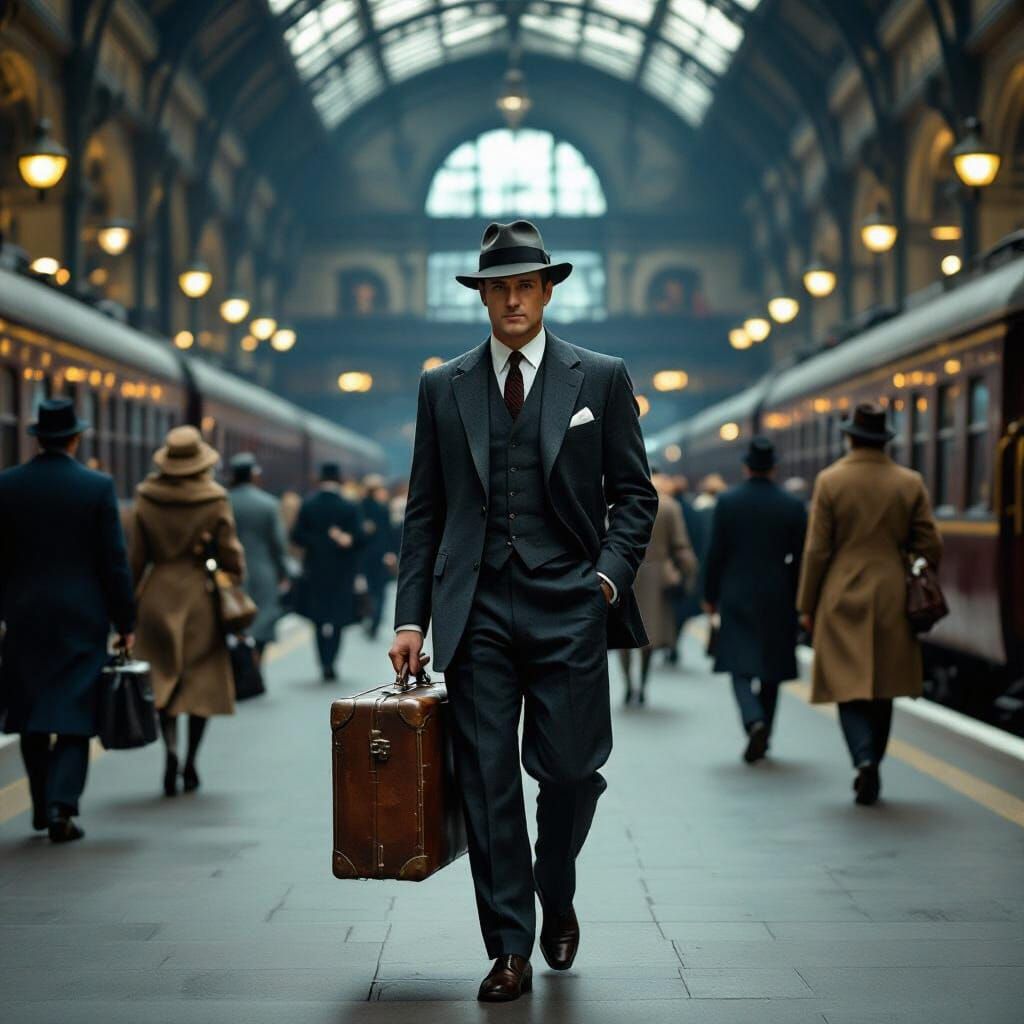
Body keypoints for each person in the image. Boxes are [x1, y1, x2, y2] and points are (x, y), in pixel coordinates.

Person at [389, 220, 657, 1002]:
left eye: (525, 286)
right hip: (473, 611)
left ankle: (557, 887)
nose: (512, 299)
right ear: (482, 297)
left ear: (546, 291)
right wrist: (411, 618)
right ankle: (508, 946)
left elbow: (635, 495)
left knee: (572, 771)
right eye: (498, 288)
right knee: (488, 783)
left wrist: (605, 581)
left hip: (569, 603)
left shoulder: (599, 378)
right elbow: (423, 512)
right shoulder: (444, 386)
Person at [0, 399, 135, 842]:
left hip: (24, 616)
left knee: (33, 712)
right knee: (76, 713)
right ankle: (62, 808)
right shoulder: (96, 487)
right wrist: (125, 620)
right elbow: (114, 562)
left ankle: (40, 805)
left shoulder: (8, 484)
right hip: (82, 617)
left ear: (37, 438)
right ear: (75, 439)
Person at [797, 404, 941, 805]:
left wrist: (806, 603)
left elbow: (818, 550)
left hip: (841, 591)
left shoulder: (830, 481)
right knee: (884, 687)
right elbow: (930, 544)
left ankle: (862, 759)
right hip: (893, 591)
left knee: (848, 685)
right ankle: (874, 758)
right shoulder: (909, 482)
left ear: (850, 437)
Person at [130, 426, 244, 797]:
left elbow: (135, 557)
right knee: (200, 681)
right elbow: (230, 552)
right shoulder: (214, 499)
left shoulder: (145, 497)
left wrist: (127, 605)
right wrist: (233, 572)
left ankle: (170, 751)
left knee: (163, 678)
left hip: (157, 593)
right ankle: (192, 759)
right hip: (199, 595)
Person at [703, 438, 807, 763]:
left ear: (746, 467)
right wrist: (799, 597)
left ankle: (753, 720)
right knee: (772, 669)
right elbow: (802, 557)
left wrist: (709, 596)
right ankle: (767, 731)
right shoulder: (792, 505)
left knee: (737, 664)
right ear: (774, 468)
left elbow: (714, 554)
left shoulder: (728, 502)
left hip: (736, 593)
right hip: (779, 594)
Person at [619, 468, 696, 705]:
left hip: (624, 573)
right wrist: (689, 575)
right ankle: (642, 684)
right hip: (655, 578)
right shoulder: (669, 506)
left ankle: (628, 686)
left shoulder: (618, 503)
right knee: (648, 637)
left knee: (623, 636)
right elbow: (681, 546)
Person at [290, 462, 365, 682]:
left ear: (320, 479)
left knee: (319, 618)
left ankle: (323, 661)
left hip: (315, 570)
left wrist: (317, 542)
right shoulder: (349, 506)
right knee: (338, 618)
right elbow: (360, 538)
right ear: (339, 479)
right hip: (342, 571)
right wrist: (342, 540)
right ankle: (332, 661)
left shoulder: (309, 504)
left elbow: (296, 536)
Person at [227, 453, 289, 662]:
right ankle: (255, 663)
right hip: (263, 571)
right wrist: (283, 572)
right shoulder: (268, 504)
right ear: (253, 475)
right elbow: (278, 544)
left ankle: (237, 663)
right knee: (261, 621)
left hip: (231, 571)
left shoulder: (223, 502)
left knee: (233, 618)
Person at [358, 474, 396, 640]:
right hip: (380, 555)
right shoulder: (383, 508)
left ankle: (369, 620)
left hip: (365, 556)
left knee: (369, 589)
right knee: (379, 592)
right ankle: (374, 623)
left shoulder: (360, 508)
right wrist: (391, 553)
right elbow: (389, 534)